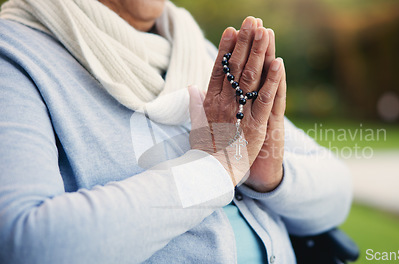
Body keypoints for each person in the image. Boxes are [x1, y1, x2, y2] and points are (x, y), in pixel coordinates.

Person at [0, 0, 352, 263]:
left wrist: (268, 177)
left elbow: (337, 194)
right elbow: (26, 245)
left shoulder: (201, 52)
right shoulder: (15, 55)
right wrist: (215, 170)